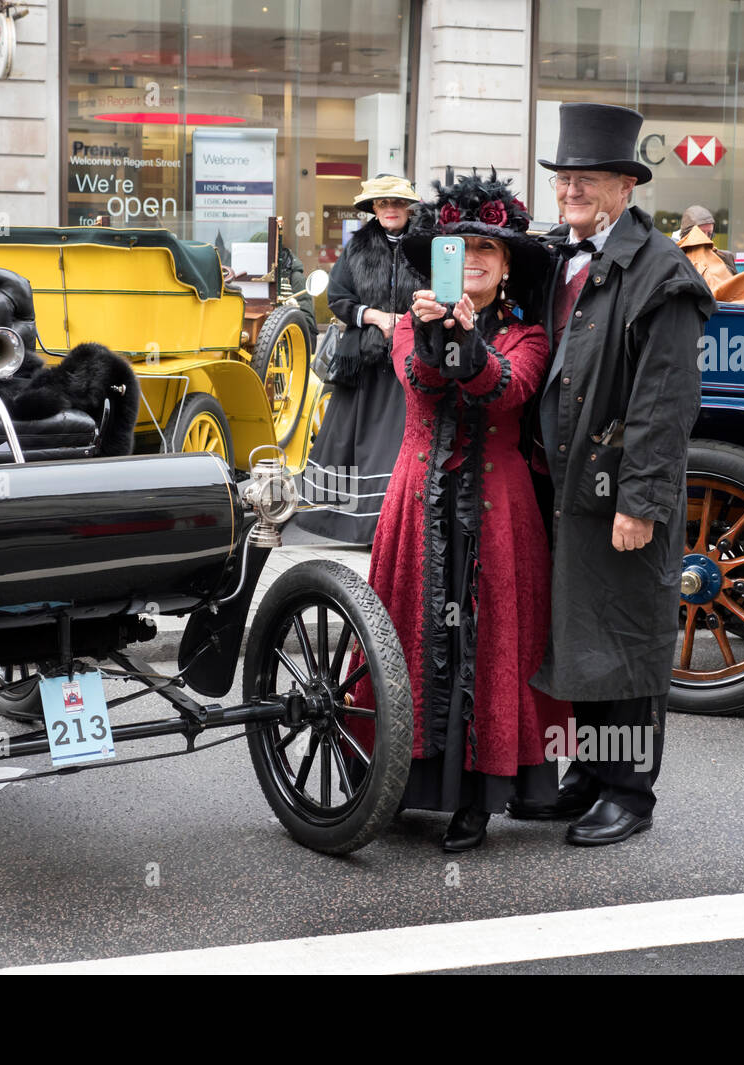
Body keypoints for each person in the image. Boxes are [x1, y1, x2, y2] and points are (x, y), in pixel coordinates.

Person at [507, 102, 716, 845]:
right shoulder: (561, 258)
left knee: (625, 638)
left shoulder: (663, 273)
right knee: (576, 637)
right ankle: (585, 775)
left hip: (619, 494)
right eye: (565, 179)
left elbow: (665, 404)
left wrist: (643, 501)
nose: (571, 192)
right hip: (566, 492)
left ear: (626, 186)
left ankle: (629, 794)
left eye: (587, 179)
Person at [349, 169, 568, 852]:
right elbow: (423, 379)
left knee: (489, 647)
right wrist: (439, 332)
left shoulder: (529, 336)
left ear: (506, 269)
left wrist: (471, 341)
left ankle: (475, 799)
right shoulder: (410, 328)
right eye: (457, 248)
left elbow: (505, 389)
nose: (471, 260)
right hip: (416, 509)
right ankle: (403, 783)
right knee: (414, 643)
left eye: (487, 251)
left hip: (499, 516)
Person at [293, 174, 418, 543]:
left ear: (408, 206)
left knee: (396, 442)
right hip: (364, 361)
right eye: (382, 204)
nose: (390, 209)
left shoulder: (428, 244)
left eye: (396, 203)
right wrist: (376, 317)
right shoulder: (357, 247)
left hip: (411, 361)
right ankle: (350, 524)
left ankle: (392, 527)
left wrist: (408, 323)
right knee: (350, 440)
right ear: (374, 209)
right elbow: (338, 297)